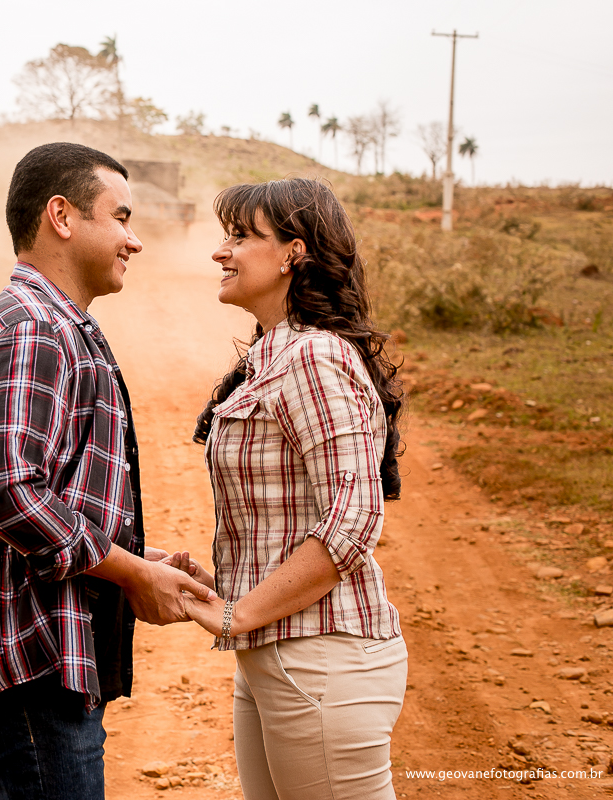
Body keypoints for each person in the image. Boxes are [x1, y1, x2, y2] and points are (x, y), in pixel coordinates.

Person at [0, 142, 216, 800]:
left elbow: (49, 495)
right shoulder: (34, 328)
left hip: (32, 666)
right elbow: (8, 494)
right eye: (120, 217)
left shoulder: (52, 323)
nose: (135, 240)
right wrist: (132, 572)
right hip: (33, 667)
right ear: (62, 216)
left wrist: (143, 559)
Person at [177, 177, 408, 800]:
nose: (222, 252)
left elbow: (353, 520)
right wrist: (218, 585)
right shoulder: (271, 357)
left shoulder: (315, 357)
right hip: (278, 657)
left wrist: (237, 613)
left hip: (321, 660)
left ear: (293, 253)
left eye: (241, 236)